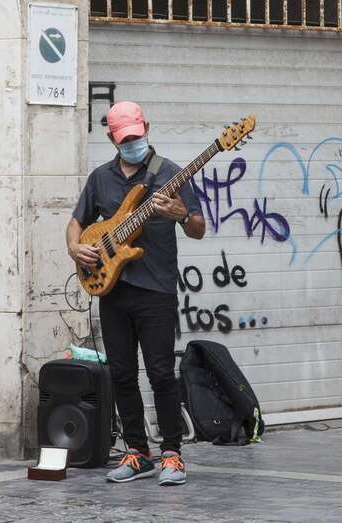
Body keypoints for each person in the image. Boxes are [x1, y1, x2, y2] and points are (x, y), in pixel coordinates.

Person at [66, 101, 205, 486]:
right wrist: (75, 248)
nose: (132, 143)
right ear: (112, 138)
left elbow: (198, 228)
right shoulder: (100, 178)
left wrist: (179, 213)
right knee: (123, 374)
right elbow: (76, 222)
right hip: (113, 290)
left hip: (156, 289)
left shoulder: (170, 174)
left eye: (137, 136)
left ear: (147, 128)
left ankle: (173, 454)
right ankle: (137, 452)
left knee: (161, 373)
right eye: (125, 138)